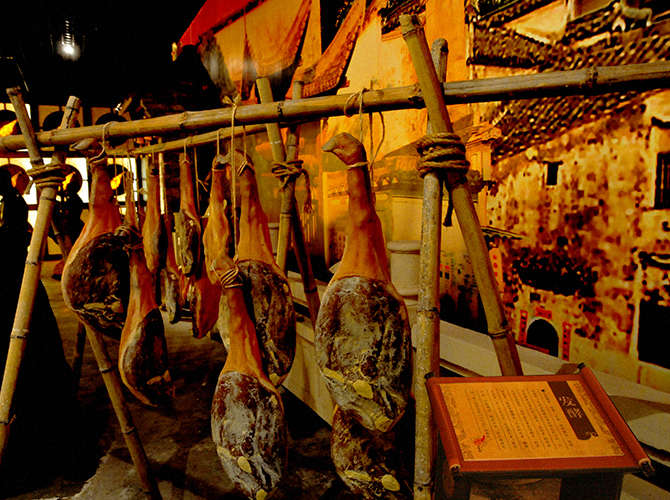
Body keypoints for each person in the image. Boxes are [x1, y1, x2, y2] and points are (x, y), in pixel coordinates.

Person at [0, 169, 96, 493]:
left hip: (19, 290)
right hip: (18, 290)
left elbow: (19, 237)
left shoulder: (13, 206)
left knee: (35, 371)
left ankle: (41, 450)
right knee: (33, 372)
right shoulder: (11, 206)